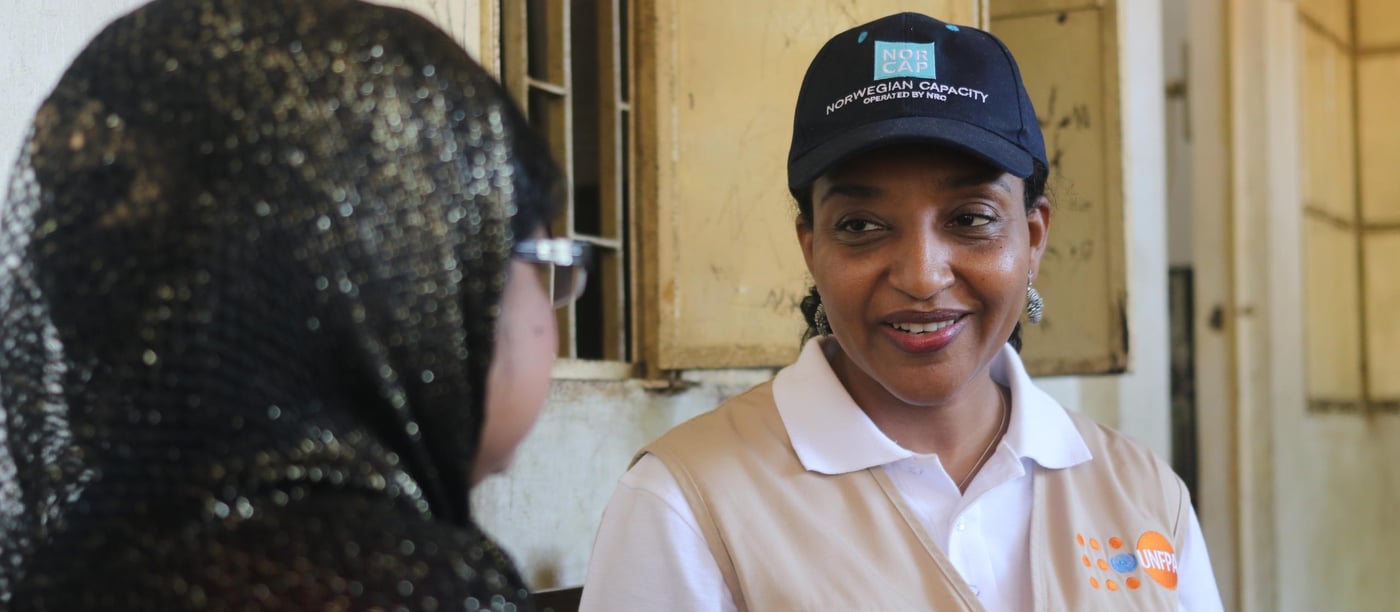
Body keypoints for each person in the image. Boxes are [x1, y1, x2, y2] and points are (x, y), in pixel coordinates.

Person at [580, 12, 1223, 611]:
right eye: (860, 224)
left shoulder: (1141, 494)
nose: (921, 276)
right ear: (811, 247)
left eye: (970, 219)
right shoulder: (688, 503)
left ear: (1033, 238)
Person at [0, 0, 587, 608]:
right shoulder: (406, 586)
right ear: (409, 292)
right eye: (544, 265)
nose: (552, 315)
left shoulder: (77, 563)